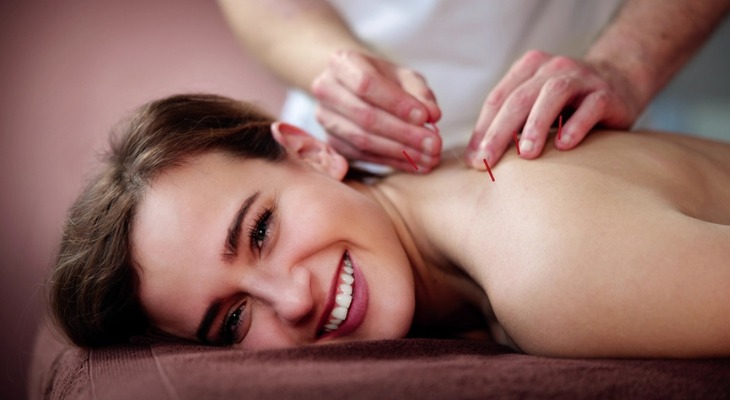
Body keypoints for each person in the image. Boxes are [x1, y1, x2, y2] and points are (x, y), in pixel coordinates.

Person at [49, 93, 730, 357]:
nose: (293, 301)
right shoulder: (464, 201)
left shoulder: (546, 273)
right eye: (231, 322)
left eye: (259, 231)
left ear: (313, 152)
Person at [218, 0, 730, 173]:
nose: (294, 301)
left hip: (582, 124)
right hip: (347, 135)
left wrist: (626, 65)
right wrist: (329, 65)